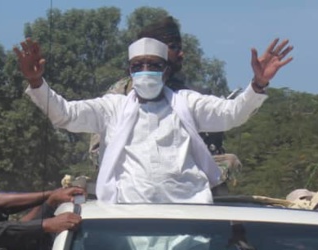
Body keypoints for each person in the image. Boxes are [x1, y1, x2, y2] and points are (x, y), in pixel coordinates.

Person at [15, 35, 292, 204]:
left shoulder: (187, 104)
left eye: (153, 66)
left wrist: (258, 84)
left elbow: (232, 114)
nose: (145, 71)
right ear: (130, 70)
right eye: (139, 66)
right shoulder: (113, 108)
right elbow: (65, 115)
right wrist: (37, 82)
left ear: (166, 71)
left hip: (187, 213)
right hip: (128, 217)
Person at [88, 16, 241, 197]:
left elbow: (230, 117)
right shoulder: (120, 94)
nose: (181, 54)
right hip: (131, 188)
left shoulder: (185, 93)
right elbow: (98, 153)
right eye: (174, 47)